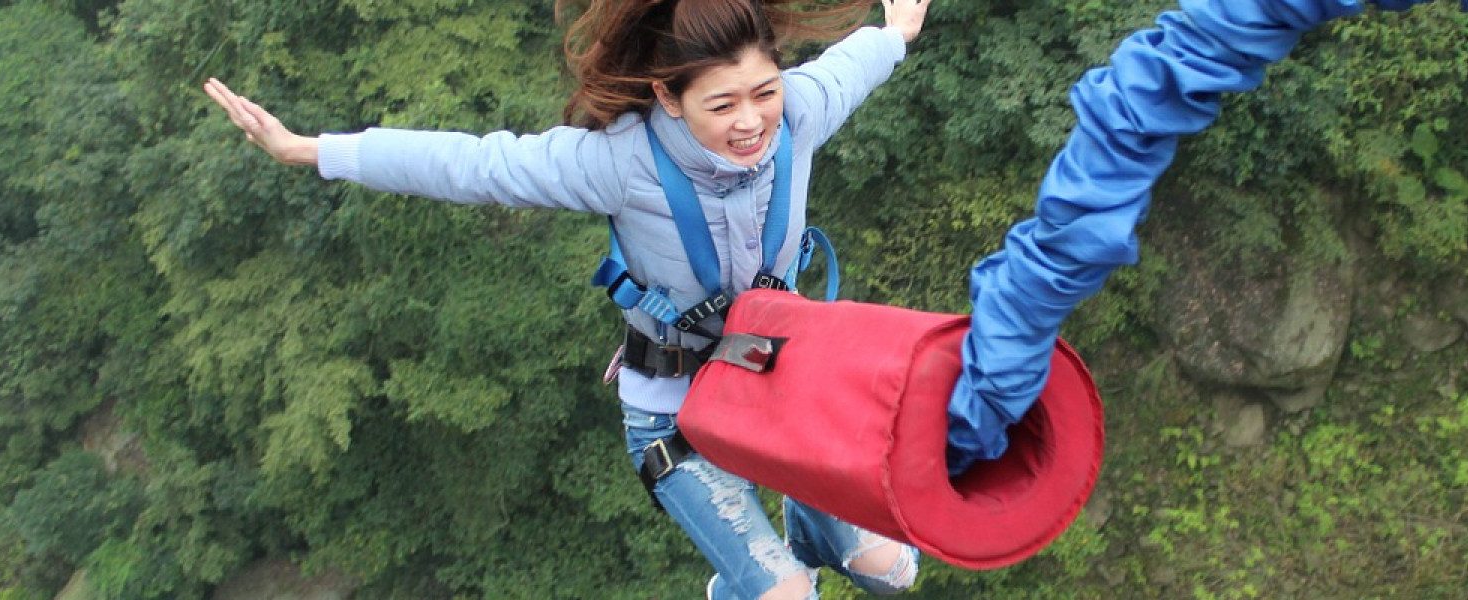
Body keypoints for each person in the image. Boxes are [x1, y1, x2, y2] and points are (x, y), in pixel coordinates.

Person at [202, 0, 933, 597]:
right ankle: (748, 583)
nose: (750, 122)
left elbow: (849, 67)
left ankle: (809, 529)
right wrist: (314, 150)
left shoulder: (795, 116)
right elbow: (473, 165)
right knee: (785, 598)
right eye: (723, 104)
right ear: (667, 100)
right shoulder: (620, 164)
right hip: (679, 413)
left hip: (780, 384)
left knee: (894, 571)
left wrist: (895, 32)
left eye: (764, 92)